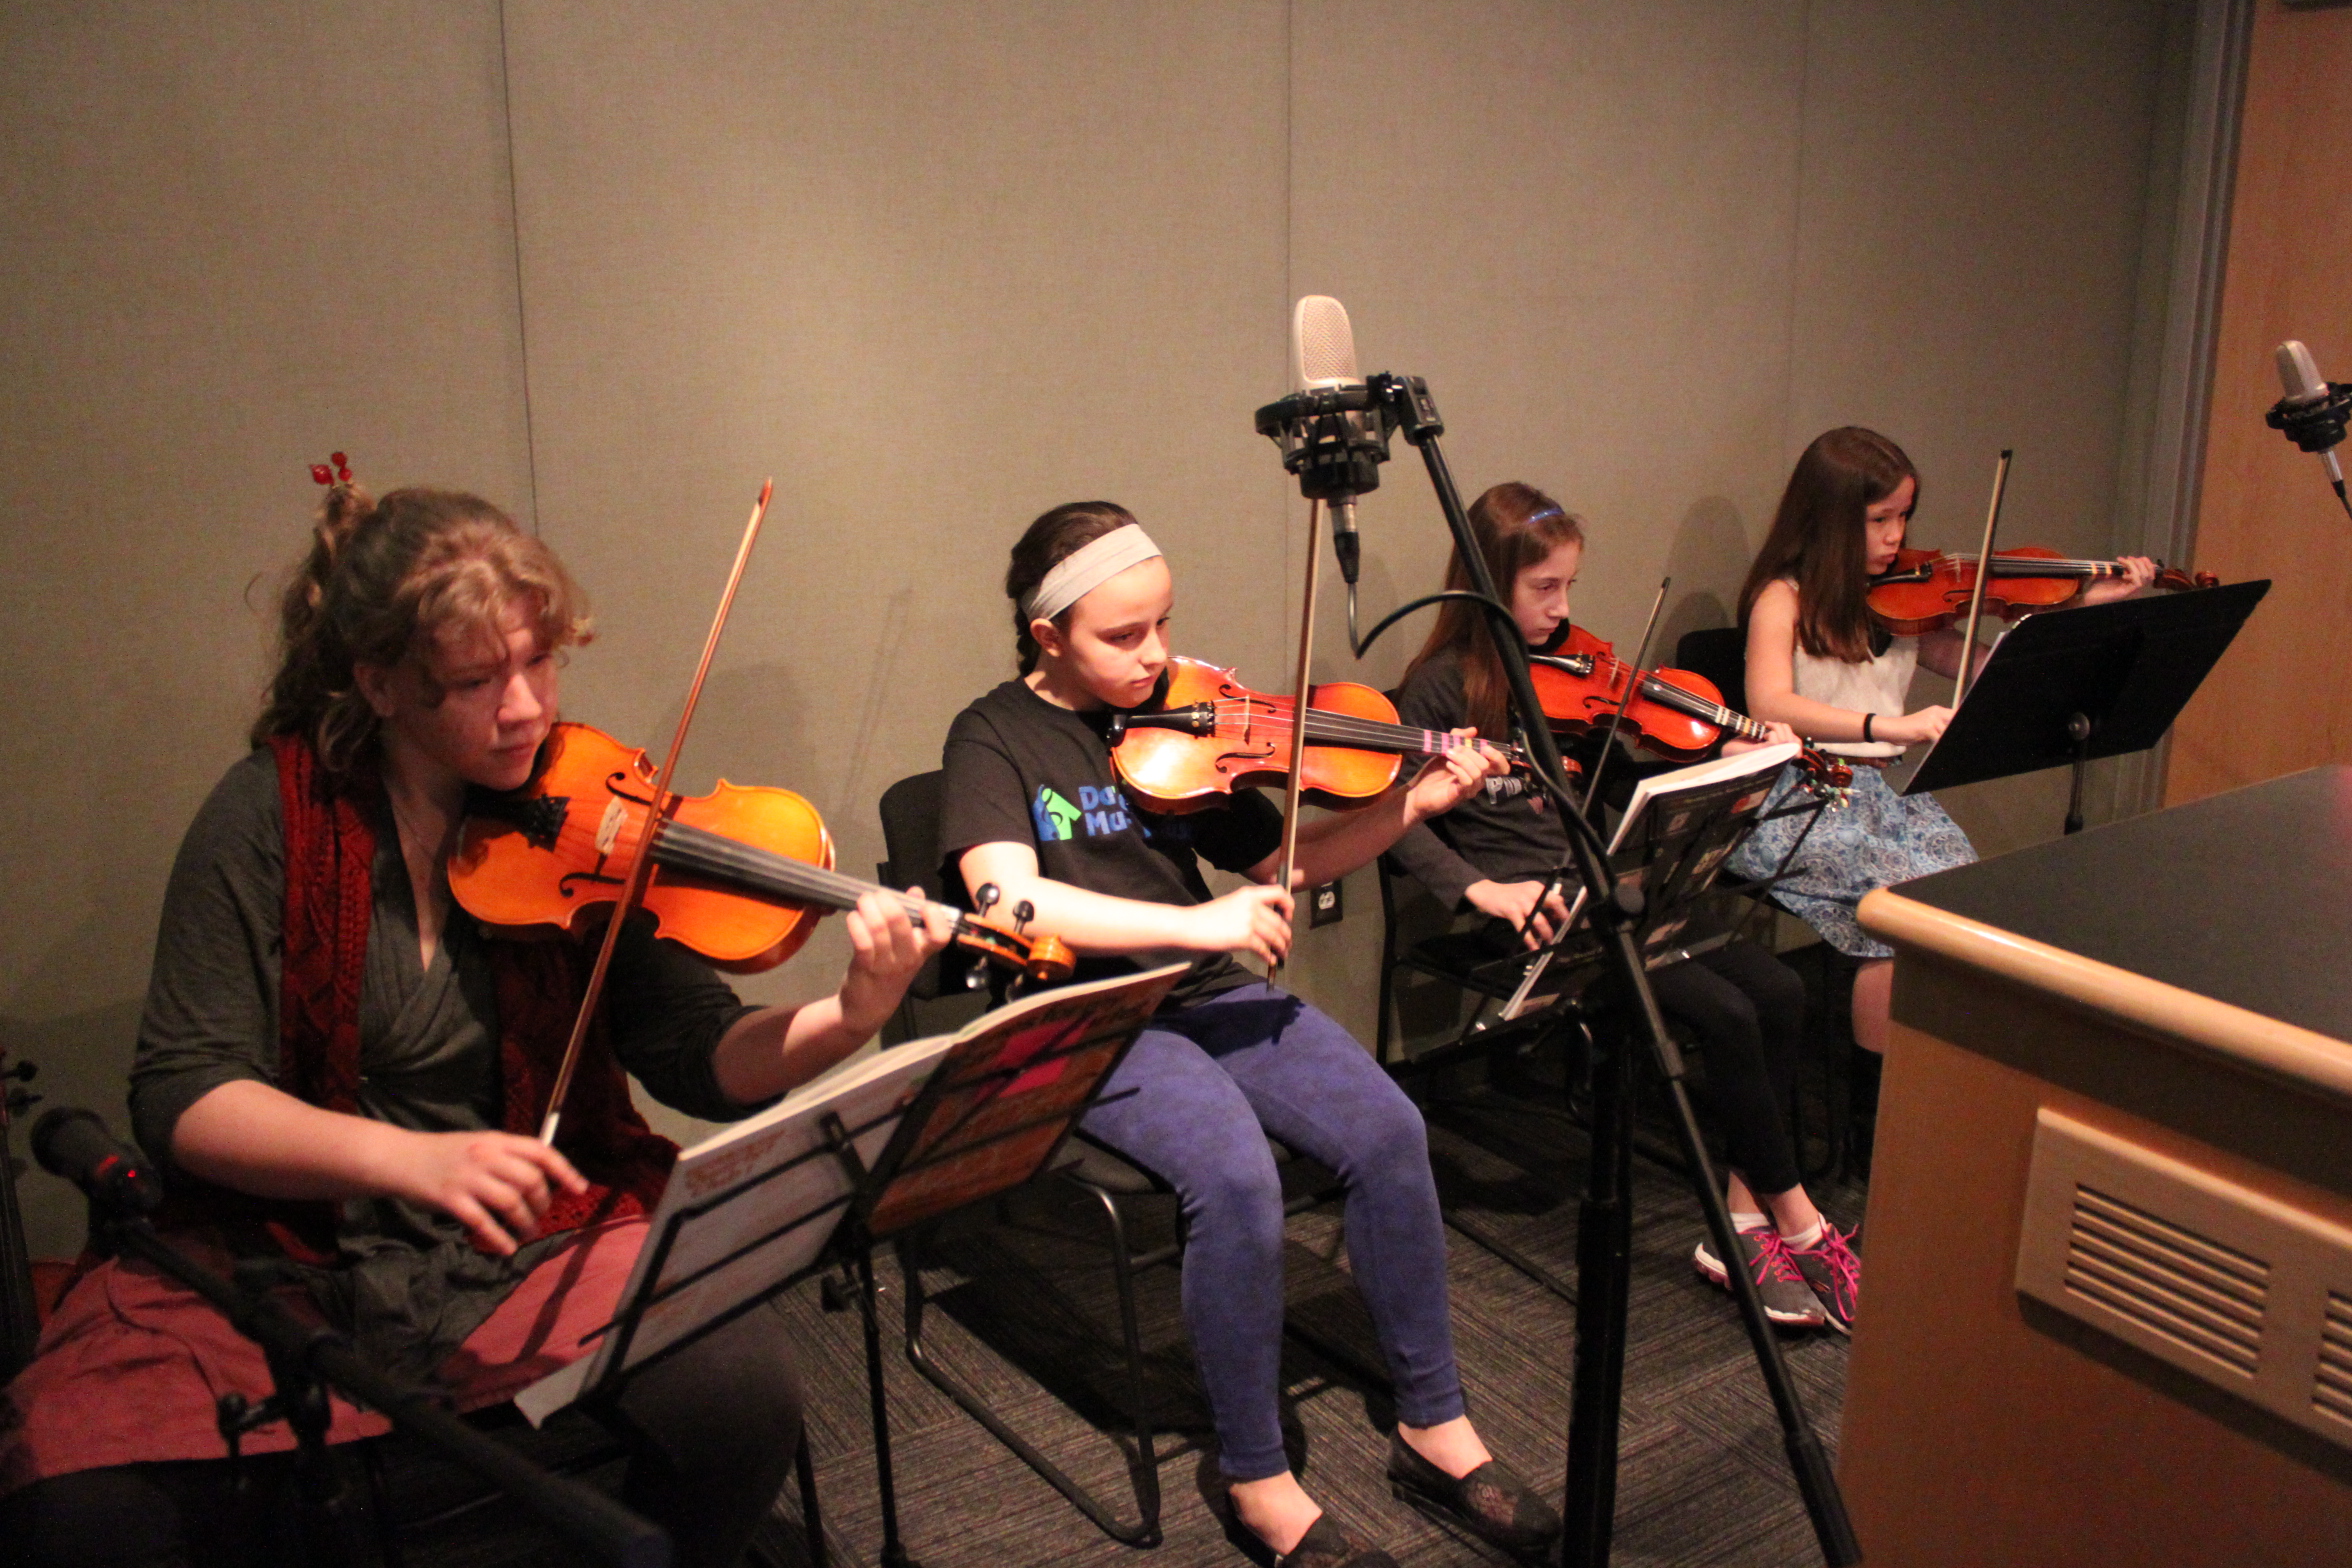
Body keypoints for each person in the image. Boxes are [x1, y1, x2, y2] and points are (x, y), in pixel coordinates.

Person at [0, 477, 952, 1568]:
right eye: (474, 678)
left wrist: (845, 1013)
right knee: (86, 1510)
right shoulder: (267, 813)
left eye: (540, 660)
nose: (526, 708)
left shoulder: (585, 815)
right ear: (380, 681)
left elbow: (698, 1051)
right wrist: (414, 1159)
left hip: (521, 1235)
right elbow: (182, 1092)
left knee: (741, 1398)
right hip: (284, 1241)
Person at [937, 502, 1557, 1568]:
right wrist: (1194, 922)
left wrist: (1411, 805)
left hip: (1203, 986)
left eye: (1162, 624)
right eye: (1122, 635)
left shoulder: (1184, 719)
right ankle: (1255, 1472)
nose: (1156, 654)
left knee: (1391, 1130)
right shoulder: (991, 733)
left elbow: (1289, 863)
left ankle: (1432, 1418)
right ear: (1047, 635)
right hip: (1087, 1011)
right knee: (1236, 1179)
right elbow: (1009, 899)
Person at [1387, 481, 1858, 1332]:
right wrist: (1481, 888)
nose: (1563, 608)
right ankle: (1798, 1222)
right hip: (1538, 914)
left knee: (1782, 991)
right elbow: (1392, 822)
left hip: (1613, 888)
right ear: (1489, 583)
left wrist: (1734, 771)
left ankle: (1743, 1221)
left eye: (1569, 585)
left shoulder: (1567, 676)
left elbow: (1629, 781)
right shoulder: (1437, 687)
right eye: (1544, 589)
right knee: (1724, 1012)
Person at [1728, 427, 2153, 1063]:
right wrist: (1888, 726)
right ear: (1830, 519)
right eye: (1879, 520)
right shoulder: (1782, 598)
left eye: (1903, 517)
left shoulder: (1898, 600)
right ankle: (1882, 1102)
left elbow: (1980, 663)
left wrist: (2080, 605)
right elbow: (1769, 704)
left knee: (1959, 902)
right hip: (1800, 793)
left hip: (1876, 796)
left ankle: (1936, 1075)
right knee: (1904, 922)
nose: (1896, 537)